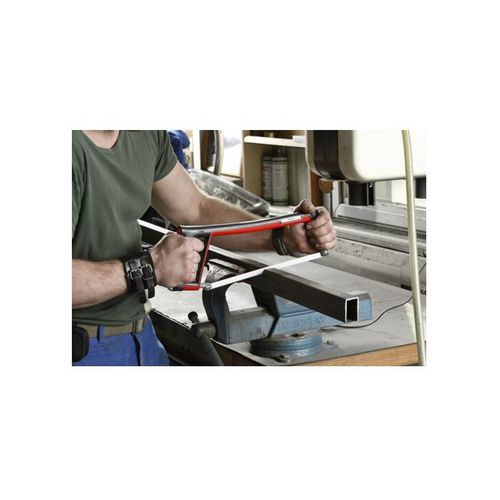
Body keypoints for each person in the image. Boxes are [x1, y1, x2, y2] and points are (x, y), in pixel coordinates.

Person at [72, 130, 337, 366]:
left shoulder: (145, 134)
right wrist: (150, 268)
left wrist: (281, 235)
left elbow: (196, 210)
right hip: (82, 347)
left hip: (140, 336)